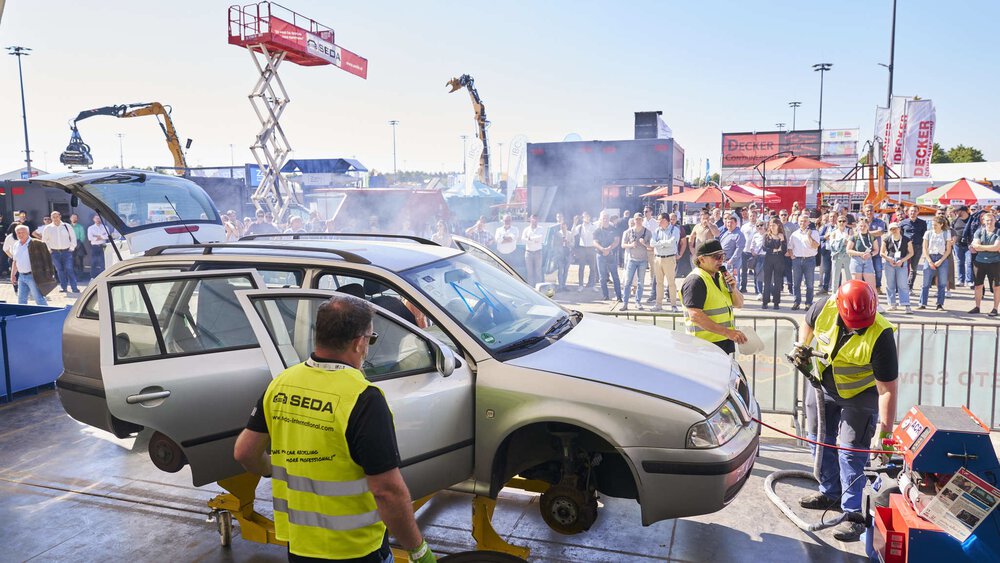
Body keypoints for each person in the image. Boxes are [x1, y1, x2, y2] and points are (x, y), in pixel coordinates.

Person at [234, 295, 438, 563]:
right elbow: (387, 491)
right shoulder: (362, 397)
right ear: (359, 341)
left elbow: (244, 453)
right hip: (355, 549)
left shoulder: (282, 383)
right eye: (371, 339)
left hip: (300, 545)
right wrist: (417, 549)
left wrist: (272, 466)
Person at [796, 280, 898, 542]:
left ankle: (853, 515)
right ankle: (830, 492)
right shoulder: (824, 306)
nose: (857, 328)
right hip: (823, 387)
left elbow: (887, 390)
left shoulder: (881, 334)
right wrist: (802, 345)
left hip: (860, 395)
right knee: (819, 440)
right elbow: (807, 322)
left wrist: (885, 437)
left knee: (851, 451)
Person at [679, 239, 746, 354]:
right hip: (703, 345)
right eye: (716, 257)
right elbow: (695, 316)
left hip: (722, 342)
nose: (721, 260)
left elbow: (739, 304)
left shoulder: (721, 276)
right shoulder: (695, 280)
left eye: (722, 256)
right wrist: (727, 332)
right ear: (701, 259)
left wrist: (733, 289)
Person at [10, 225, 56, 306]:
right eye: (18, 233)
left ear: (28, 233)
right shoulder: (16, 244)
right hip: (21, 276)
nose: (20, 234)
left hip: (33, 276)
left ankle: (46, 315)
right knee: (21, 299)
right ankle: (22, 316)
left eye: (22, 232)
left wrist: (48, 274)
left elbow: (47, 260)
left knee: (38, 298)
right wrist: (13, 274)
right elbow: (15, 261)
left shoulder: (37, 244)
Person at [968, 211, 1000, 316]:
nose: (989, 222)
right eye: (987, 220)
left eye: (991, 220)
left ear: (995, 220)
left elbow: (996, 247)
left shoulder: (998, 232)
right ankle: (977, 307)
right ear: (983, 221)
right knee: (978, 286)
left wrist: (980, 247)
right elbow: (975, 247)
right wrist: (991, 248)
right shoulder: (979, 232)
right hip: (979, 262)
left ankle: (995, 308)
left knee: (996, 287)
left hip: (995, 262)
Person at [41, 211, 80, 294]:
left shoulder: (67, 226)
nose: (55, 218)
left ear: (60, 216)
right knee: (59, 270)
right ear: (51, 218)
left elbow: (73, 237)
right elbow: (44, 241)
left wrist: (72, 248)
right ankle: (64, 288)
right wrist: (49, 250)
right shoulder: (48, 228)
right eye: (53, 217)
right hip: (54, 253)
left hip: (66, 252)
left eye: (57, 216)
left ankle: (74, 288)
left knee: (69, 269)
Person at [651, 212, 683, 312]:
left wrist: (659, 243)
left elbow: (672, 242)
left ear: (665, 220)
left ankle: (673, 305)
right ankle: (658, 304)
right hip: (657, 259)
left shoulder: (675, 230)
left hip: (669, 259)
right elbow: (652, 243)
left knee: (671, 283)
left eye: (659, 220)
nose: (658, 222)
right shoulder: (656, 231)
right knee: (659, 283)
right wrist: (663, 244)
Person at [919, 215, 952, 311]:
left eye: (936, 225)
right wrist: (929, 261)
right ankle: (922, 303)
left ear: (941, 225)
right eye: (933, 225)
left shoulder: (946, 233)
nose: (933, 226)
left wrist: (941, 261)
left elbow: (948, 249)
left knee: (942, 283)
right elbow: (924, 248)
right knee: (925, 282)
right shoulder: (928, 233)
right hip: (930, 256)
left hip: (942, 257)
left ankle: (939, 304)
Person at [788, 214, 821, 310]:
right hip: (797, 260)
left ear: (808, 222)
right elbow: (790, 247)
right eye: (801, 221)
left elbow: (815, 246)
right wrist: (792, 256)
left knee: (809, 284)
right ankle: (796, 302)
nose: (802, 223)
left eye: (805, 221)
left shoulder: (814, 233)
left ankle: (808, 303)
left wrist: (809, 236)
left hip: (809, 260)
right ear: (798, 222)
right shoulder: (794, 234)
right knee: (796, 283)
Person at [880, 223, 914, 314]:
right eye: (891, 229)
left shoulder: (906, 239)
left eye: (895, 229)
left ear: (899, 229)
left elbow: (911, 253)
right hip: (890, 262)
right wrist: (888, 259)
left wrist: (902, 260)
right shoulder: (887, 239)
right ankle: (892, 304)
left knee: (903, 284)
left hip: (902, 262)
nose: (893, 231)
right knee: (890, 284)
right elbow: (882, 253)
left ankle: (906, 304)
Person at [620, 213, 651, 311]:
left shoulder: (648, 232)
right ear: (634, 220)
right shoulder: (628, 232)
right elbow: (622, 245)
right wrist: (630, 245)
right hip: (631, 260)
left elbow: (652, 247)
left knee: (640, 283)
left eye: (640, 219)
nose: (638, 221)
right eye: (636, 219)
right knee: (627, 282)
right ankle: (625, 303)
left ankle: (638, 302)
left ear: (642, 220)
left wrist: (644, 243)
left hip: (643, 261)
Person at [593, 212, 622, 302]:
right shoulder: (597, 231)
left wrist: (608, 249)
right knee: (602, 277)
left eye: (606, 218)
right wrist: (603, 249)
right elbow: (595, 242)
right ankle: (605, 296)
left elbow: (617, 241)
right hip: (600, 256)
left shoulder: (614, 229)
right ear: (600, 219)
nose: (605, 219)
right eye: (603, 218)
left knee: (615, 276)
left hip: (611, 255)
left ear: (609, 219)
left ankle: (619, 296)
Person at [761, 218, 788, 310]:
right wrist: (775, 249)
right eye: (770, 225)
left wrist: (782, 240)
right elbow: (764, 248)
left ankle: (776, 302)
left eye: (774, 225)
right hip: (768, 258)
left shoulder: (782, 235)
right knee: (767, 281)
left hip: (779, 259)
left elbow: (784, 250)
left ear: (778, 226)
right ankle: (765, 301)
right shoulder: (766, 236)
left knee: (777, 282)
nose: (772, 227)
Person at [846, 218, 878, 295]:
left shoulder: (872, 237)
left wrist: (870, 254)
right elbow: (848, 250)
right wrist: (860, 254)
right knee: (857, 286)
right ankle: (857, 305)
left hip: (868, 260)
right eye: (860, 226)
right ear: (858, 226)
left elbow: (876, 250)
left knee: (872, 286)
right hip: (856, 260)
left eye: (864, 226)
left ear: (868, 226)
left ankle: (876, 304)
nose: (862, 228)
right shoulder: (854, 237)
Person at [900, 206, 927, 291]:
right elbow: (900, 235)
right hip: (905, 247)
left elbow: (924, 236)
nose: (913, 213)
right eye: (911, 211)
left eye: (915, 211)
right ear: (908, 212)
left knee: (914, 267)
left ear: (918, 212)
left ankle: (909, 286)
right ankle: (902, 285)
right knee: (903, 266)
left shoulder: (923, 223)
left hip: (917, 247)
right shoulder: (903, 222)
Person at [718, 213, 746, 291]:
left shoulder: (739, 234)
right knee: (725, 280)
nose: (729, 224)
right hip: (724, 261)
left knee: (734, 280)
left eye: (731, 222)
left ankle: (736, 297)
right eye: (728, 222)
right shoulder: (726, 233)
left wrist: (732, 260)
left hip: (733, 262)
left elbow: (739, 249)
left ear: (736, 223)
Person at [573, 212, 598, 291]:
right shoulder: (579, 227)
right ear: (582, 218)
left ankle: (592, 284)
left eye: (588, 216)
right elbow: (573, 233)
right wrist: (574, 223)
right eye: (585, 217)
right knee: (581, 267)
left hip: (591, 248)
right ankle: (581, 285)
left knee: (593, 267)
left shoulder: (594, 226)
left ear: (589, 217)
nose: (586, 218)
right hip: (582, 248)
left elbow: (597, 235)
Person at [951, 205, 973, 287]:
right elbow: (952, 231)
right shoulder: (955, 220)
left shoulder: (972, 220)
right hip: (957, 244)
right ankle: (961, 280)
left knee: (969, 262)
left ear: (962, 211)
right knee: (960, 262)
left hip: (969, 245)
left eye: (957, 211)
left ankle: (969, 280)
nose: (955, 213)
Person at [521, 214, 545, 286]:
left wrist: (530, 238)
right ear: (530, 219)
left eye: (536, 219)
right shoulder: (526, 230)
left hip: (538, 252)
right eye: (533, 219)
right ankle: (531, 288)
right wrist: (534, 240)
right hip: (528, 253)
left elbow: (541, 238)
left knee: (538, 272)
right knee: (529, 272)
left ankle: (538, 289)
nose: (534, 220)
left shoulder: (541, 229)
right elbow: (523, 240)